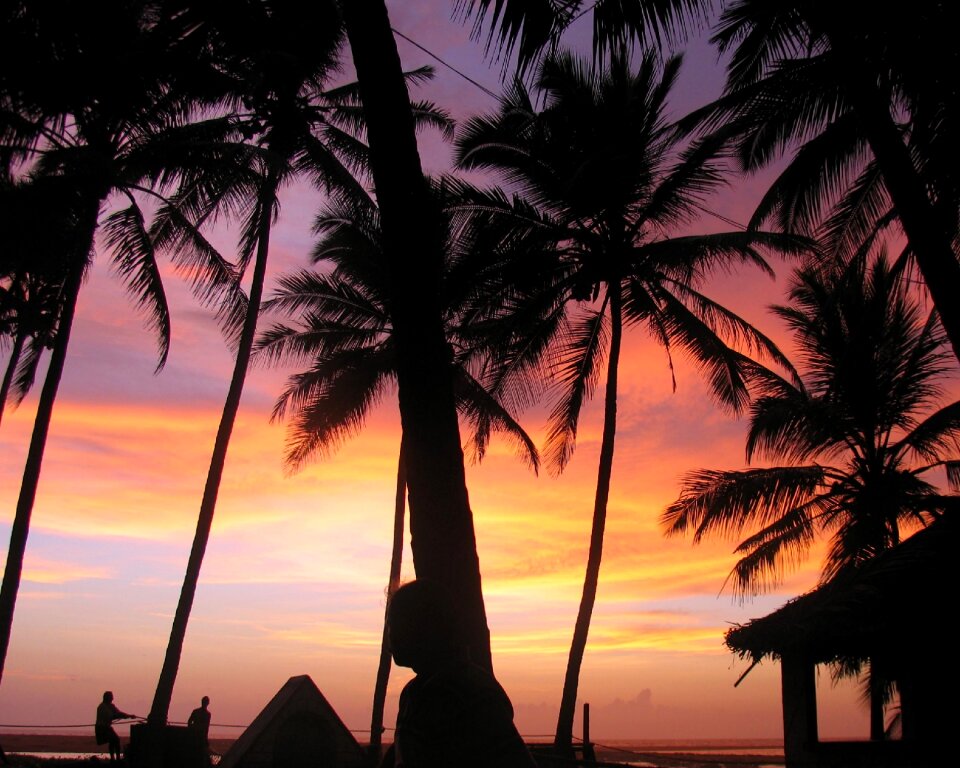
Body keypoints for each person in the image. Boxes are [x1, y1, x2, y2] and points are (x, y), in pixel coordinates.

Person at [383, 579, 536, 768]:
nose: (390, 634)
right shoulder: (415, 693)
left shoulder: (467, 694)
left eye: (397, 623)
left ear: (426, 626)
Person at [95, 691, 135, 761]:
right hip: (102, 728)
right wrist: (125, 716)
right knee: (115, 739)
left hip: (107, 727)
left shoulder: (111, 706)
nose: (112, 698)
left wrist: (129, 716)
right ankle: (115, 758)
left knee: (114, 740)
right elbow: (112, 716)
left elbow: (119, 713)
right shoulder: (102, 707)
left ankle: (115, 758)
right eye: (111, 697)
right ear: (106, 698)